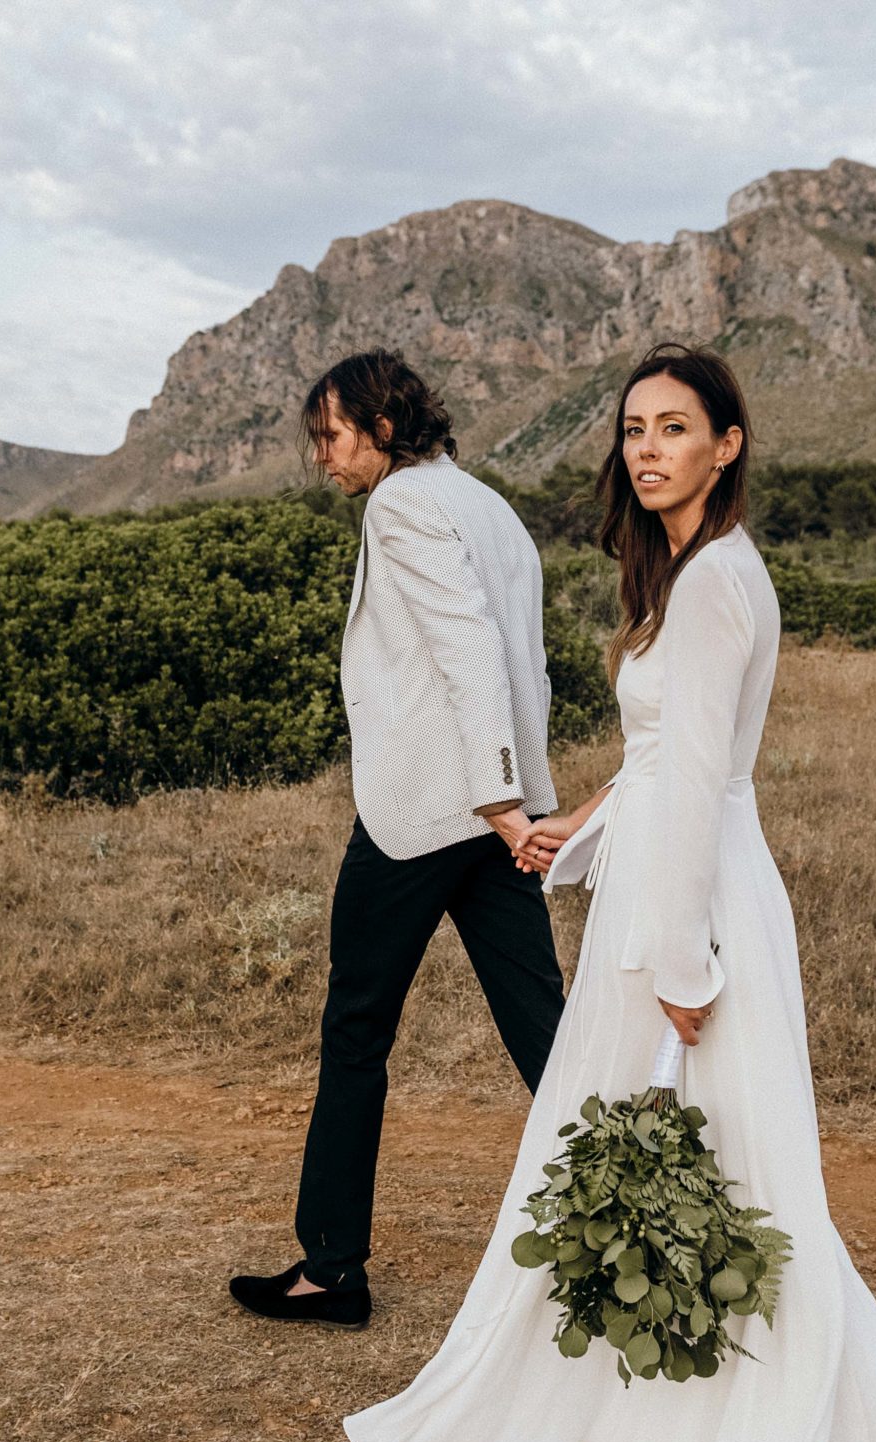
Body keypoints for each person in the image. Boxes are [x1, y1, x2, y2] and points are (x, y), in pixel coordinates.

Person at [343, 343, 876, 1442]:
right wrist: (583, 817)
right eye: (633, 428)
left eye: (674, 427)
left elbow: (697, 783)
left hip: (694, 906)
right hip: (670, 872)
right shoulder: (688, 574)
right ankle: (653, 1397)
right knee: (686, 1155)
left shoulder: (719, 582)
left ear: (725, 445)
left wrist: (681, 960)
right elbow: (669, 757)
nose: (646, 447)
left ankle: (725, 1427)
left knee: (715, 1160)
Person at [228, 349, 564, 1331]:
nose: (322, 459)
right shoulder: (490, 507)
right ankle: (656, 1216)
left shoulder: (405, 505)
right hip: (495, 810)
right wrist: (518, 800)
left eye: (329, 437)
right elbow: (526, 664)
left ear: (381, 424)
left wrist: (496, 797)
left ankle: (331, 1269)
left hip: (429, 813)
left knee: (355, 1029)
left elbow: (468, 649)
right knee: (550, 1035)